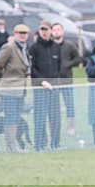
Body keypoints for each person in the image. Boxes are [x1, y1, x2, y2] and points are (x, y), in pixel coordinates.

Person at [0, 24, 31, 152]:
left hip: (20, 90)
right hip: (8, 89)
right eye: (20, 32)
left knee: (16, 116)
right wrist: (0, 79)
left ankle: (13, 145)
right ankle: (11, 145)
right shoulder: (9, 47)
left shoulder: (25, 49)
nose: (22, 35)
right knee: (10, 116)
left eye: (25, 33)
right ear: (15, 34)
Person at [28, 20, 62, 150]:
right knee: (40, 118)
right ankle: (40, 145)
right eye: (42, 30)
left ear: (50, 31)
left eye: (46, 29)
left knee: (55, 118)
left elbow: (58, 67)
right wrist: (42, 81)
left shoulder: (56, 47)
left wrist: (53, 82)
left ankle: (55, 144)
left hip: (54, 88)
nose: (44, 32)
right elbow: (31, 68)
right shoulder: (33, 48)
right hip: (40, 88)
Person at [52, 22, 83, 136]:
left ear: (62, 31)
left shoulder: (69, 45)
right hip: (53, 81)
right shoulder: (50, 46)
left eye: (58, 29)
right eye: (54, 30)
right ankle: (53, 127)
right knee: (53, 106)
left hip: (67, 80)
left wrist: (68, 64)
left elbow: (78, 58)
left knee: (69, 104)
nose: (56, 32)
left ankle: (70, 128)